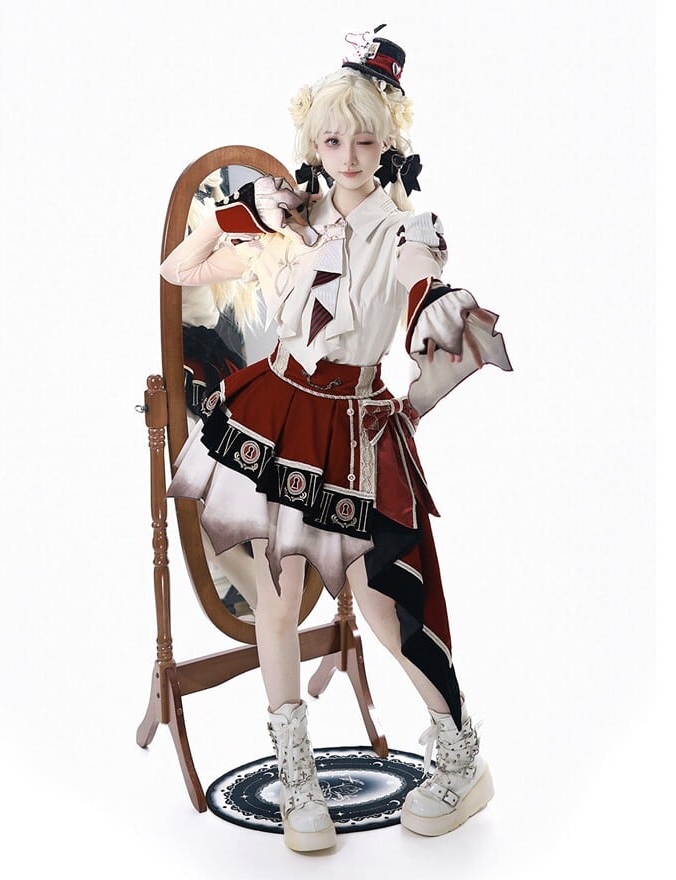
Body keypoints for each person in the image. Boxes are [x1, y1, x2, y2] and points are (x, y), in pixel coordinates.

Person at [160, 26, 512, 852]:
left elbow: (421, 288)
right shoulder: (294, 222)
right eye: (330, 139)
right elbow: (180, 271)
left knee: (387, 607)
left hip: (352, 428)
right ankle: (298, 779)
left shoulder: (407, 230)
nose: (347, 156)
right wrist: (239, 215)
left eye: (363, 139)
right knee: (277, 600)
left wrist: (434, 308)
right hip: (277, 414)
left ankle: (462, 758)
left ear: (389, 142)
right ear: (311, 143)